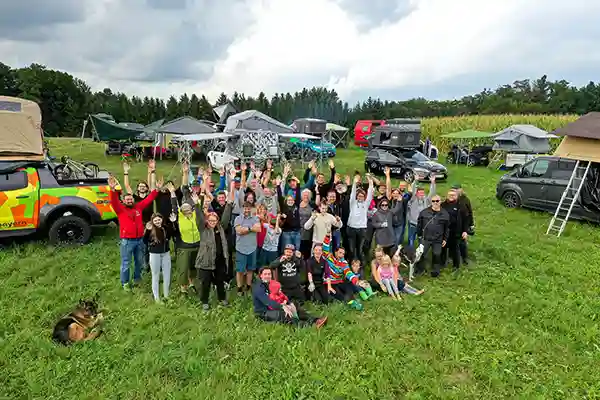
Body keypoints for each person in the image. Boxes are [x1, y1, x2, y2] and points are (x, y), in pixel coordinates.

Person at [108, 175, 160, 291]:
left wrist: (156, 189)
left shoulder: (138, 207)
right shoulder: (120, 209)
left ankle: (137, 279)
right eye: (127, 199)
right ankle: (125, 282)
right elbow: (114, 201)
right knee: (126, 263)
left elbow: (149, 199)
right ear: (124, 201)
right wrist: (112, 190)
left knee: (139, 262)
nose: (130, 200)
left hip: (139, 240)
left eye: (131, 199)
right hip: (127, 241)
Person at [191, 183, 234, 311]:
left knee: (220, 281)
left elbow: (226, 215)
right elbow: (199, 218)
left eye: (214, 220)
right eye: (210, 220)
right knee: (206, 283)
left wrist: (229, 204)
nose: (212, 222)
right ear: (207, 221)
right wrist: (197, 205)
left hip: (219, 260)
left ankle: (222, 299)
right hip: (206, 261)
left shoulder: (221, 228)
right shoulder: (203, 229)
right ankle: (204, 301)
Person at [252, 268, 328, 328]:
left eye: (269, 274)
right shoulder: (258, 288)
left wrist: (288, 303)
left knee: (294, 306)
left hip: (274, 306)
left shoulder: (271, 283)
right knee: (285, 314)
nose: (268, 276)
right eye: (265, 274)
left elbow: (280, 295)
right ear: (260, 275)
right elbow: (268, 302)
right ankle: (308, 326)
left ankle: (316, 320)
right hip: (264, 312)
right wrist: (283, 307)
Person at [322, 232, 363, 310]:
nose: (341, 255)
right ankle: (349, 303)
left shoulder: (344, 262)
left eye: (343, 254)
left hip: (340, 281)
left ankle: (353, 301)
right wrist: (327, 235)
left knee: (348, 288)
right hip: (330, 282)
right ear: (335, 252)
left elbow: (348, 273)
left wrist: (356, 281)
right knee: (337, 293)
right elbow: (325, 247)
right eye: (340, 253)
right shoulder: (328, 257)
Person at [143, 212, 176, 303]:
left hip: (166, 253)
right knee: (155, 275)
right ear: (152, 221)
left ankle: (166, 295)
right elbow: (145, 241)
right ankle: (157, 298)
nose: (157, 221)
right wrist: (147, 230)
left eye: (159, 219)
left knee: (167, 274)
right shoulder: (150, 229)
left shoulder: (165, 228)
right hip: (154, 254)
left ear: (162, 219)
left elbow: (172, 234)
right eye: (155, 220)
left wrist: (173, 222)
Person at [416, 194, 450, 278]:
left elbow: (447, 228)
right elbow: (419, 224)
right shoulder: (424, 212)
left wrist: (445, 239)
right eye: (433, 201)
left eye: (437, 201)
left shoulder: (445, 214)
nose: (435, 203)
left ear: (440, 202)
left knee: (436, 254)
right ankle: (420, 269)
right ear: (431, 202)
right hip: (426, 238)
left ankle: (435, 270)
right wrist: (419, 235)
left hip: (438, 239)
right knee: (421, 254)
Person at [234, 201, 262, 296]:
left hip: (252, 248)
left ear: (251, 209)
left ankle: (248, 286)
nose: (247, 210)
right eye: (245, 208)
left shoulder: (255, 218)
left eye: (248, 208)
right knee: (240, 270)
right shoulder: (238, 218)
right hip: (240, 248)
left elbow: (258, 229)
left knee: (250, 269)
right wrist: (250, 228)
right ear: (242, 209)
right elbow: (238, 231)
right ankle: (239, 288)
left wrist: (245, 228)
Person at [347, 173, 373, 264]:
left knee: (359, 248)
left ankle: (360, 265)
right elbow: (352, 193)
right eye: (359, 196)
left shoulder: (365, 204)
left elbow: (370, 194)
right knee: (351, 248)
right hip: (351, 228)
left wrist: (370, 182)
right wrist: (354, 182)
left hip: (362, 228)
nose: (360, 197)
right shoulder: (352, 203)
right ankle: (351, 264)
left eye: (362, 196)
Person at [441, 189, 469, 272]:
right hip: (444, 231)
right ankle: (442, 263)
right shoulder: (442, 205)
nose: (451, 196)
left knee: (455, 249)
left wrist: (465, 231)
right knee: (443, 248)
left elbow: (466, 219)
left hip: (456, 231)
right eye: (450, 195)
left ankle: (456, 266)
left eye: (453, 195)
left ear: (457, 196)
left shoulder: (461, 206)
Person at [406, 175, 436, 248]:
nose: (421, 194)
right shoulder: (413, 199)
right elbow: (413, 190)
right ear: (416, 193)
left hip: (422, 225)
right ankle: (410, 253)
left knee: (421, 241)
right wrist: (415, 181)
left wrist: (433, 182)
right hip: (412, 224)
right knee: (411, 239)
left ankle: (420, 255)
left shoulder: (426, 200)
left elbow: (432, 193)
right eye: (420, 193)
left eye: (423, 193)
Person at [452, 183, 473, 265]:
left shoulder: (465, 200)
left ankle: (464, 258)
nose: (456, 191)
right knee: (453, 243)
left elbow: (470, 212)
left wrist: (471, 224)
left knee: (462, 243)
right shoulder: (451, 199)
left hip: (463, 225)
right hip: (453, 225)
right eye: (454, 189)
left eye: (457, 189)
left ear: (461, 189)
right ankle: (453, 258)